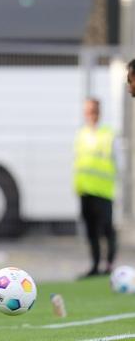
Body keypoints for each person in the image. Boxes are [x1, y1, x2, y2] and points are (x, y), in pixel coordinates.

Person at [74, 98, 118, 278]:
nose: (89, 115)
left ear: (98, 112)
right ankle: (94, 265)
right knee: (91, 231)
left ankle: (109, 265)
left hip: (104, 191)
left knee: (107, 229)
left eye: (92, 111)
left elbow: (118, 162)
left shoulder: (108, 134)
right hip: (85, 191)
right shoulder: (82, 134)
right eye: (86, 111)